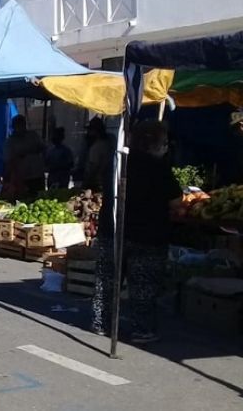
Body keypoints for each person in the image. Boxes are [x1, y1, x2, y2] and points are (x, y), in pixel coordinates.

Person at [92, 121, 181, 344]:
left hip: (112, 230)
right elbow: (176, 201)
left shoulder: (116, 163)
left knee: (107, 280)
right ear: (154, 144)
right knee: (143, 285)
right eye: (164, 143)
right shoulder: (158, 167)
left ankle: (101, 323)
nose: (166, 147)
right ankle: (142, 329)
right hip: (147, 235)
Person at [3, 115, 46, 200]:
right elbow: (8, 160)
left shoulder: (33, 135)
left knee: (40, 197)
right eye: (18, 125)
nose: (21, 127)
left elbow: (43, 148)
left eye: (22, 124)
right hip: (21, 177)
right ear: (14, 127)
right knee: (24, 199)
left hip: (37, 174)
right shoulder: (10, 141)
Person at [82, 117, 114, 191]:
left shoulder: (96, 147)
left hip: (95, 182)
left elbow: (94, 167)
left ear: (95, 131)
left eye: (90, 130)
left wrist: (86, 182)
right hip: (105, 181)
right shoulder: (107, 143)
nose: (88, 133)